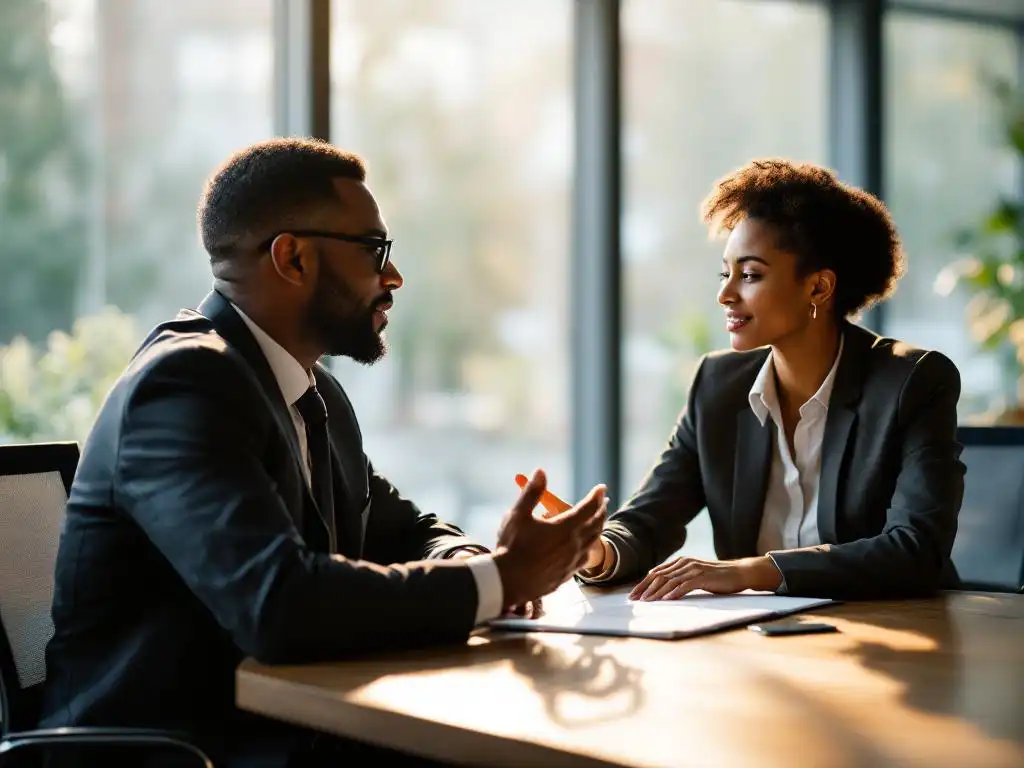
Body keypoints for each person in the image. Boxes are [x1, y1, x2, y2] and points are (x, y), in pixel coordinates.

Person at [38, 137, 606, 767]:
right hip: (179, 755)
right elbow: (278, 606)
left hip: (286, 738)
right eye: (373, 250)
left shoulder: (314, 394)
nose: (393, 277)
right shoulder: (182, 386)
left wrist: (474, 560)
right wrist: (501, 580)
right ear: (293, 258)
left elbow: (403, 528)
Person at [578, 158, 964, 601]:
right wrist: (597, 551)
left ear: (818, 288)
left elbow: (915, 550)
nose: (725, 294)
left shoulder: (911, 382)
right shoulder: (717, 385)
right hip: (763, 632)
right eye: (725, 273)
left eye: (750, 275)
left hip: (898, 628)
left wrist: (751, 571)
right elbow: (648, 519)